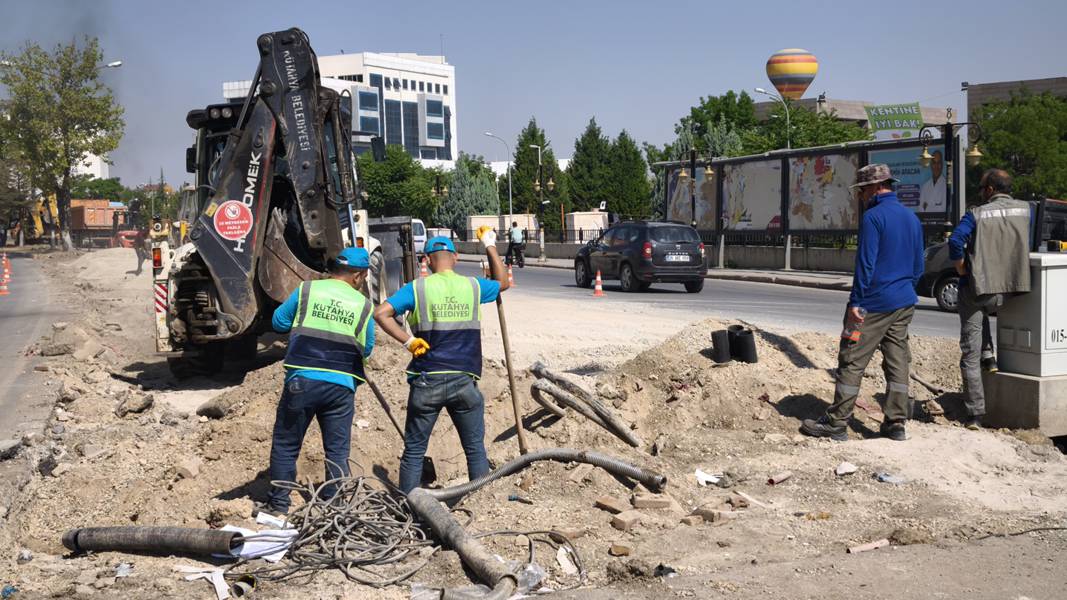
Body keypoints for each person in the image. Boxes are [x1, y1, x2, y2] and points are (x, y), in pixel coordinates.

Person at [373, 228, 510, 493]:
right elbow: (503, 282)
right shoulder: (472, 285)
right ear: (455, 258)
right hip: (464, 380)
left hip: (427, 380)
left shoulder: (417, 288)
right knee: (474, 450)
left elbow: (381, 313)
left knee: (414, 450)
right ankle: (479, 503)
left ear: (426, 260)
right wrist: (489, 245)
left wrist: (408, 341)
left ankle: (410, 507)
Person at [801, 164, 925, 442]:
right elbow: (919, 265)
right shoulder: (911, 218)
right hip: (904, 302)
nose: (860, 196)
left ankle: (836, 422)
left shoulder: (873, 217)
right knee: (897, 363)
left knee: (851, 360)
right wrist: (905, 288)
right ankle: (896, 424)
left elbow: (865, 264)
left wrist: (857, 301)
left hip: (874, 303)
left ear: (874, 188)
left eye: (862, 190)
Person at [263, 247, 375, 515]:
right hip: (341, 386)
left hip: (302, 380)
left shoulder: (307, 290)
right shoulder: (364, 306)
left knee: (287, 444)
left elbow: (278, 322)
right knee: (337, 450)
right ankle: (333, 507)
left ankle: (279, 506)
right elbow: (367, 348)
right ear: (359, 276)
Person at [948, 169, 1031, 430]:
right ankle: (989, 355)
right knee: (985, 319)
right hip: (1010, 289)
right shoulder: (1025, 210)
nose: (981, 192)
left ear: (991, 190)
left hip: (978, 289)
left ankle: (975, 414)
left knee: (968, 352)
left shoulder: (977, 213)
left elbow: (955, 241)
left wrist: (962, 269)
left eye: (983, 188)